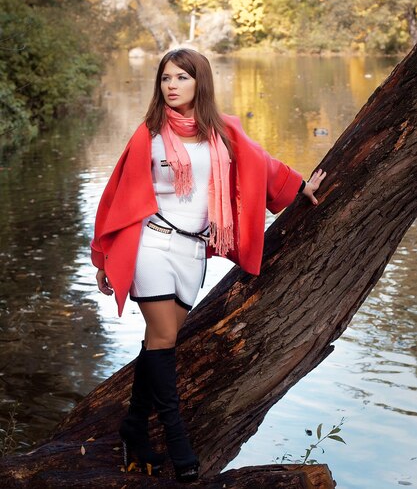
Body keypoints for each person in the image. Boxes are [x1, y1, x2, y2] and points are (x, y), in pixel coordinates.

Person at [91, 48, 326, 483]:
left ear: (200, 82)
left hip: (193, 252)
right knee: (163, 337)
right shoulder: (150, 135)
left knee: (159, 342)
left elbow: (264, 166)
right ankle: (177, 440)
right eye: (166, 78)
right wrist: (105, 255)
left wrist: (299, 188)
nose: (172, 85)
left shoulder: (223, 132)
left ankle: (134, 426)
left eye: (182, 77)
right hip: (151, 246)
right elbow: (116, 194)